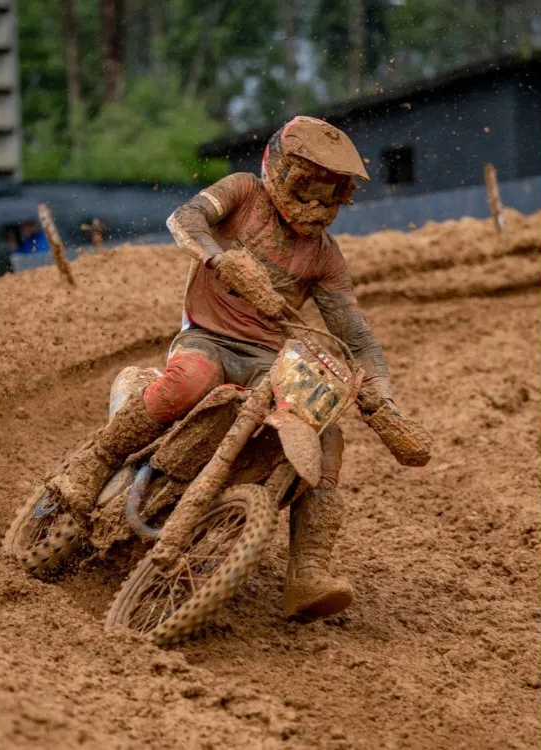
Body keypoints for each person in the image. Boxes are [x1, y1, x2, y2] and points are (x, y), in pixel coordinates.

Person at [45, 116, 424, 621]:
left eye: (332, 193)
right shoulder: (244, 193)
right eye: (308, 187)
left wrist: (384, 403)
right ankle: (95, 460)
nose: (318, 204)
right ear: (280, 170)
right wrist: (217, 258)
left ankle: (307, 569)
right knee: (192, 380)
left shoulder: (325, 257)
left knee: (328, 435)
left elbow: (356, 337)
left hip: (269, 359)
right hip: (207, 336)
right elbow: (185, 218)